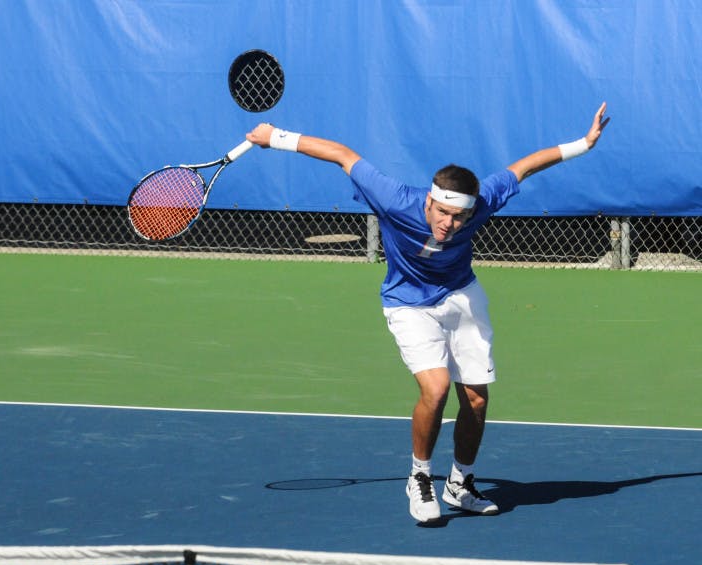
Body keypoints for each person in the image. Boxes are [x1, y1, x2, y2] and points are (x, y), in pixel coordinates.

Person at [247, 103, 610, 523]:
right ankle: (420, 477)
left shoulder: (482, 201)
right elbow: (342, 155)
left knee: (475, 398)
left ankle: (460, 484)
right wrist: (275, 137)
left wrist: (583, 144)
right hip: (407, 303)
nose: (449, 225)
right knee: (436, 390)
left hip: (460, 296)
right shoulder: (394, 199)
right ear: (430, 200)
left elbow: (525, 166)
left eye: (460, 217)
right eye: (443, 213)